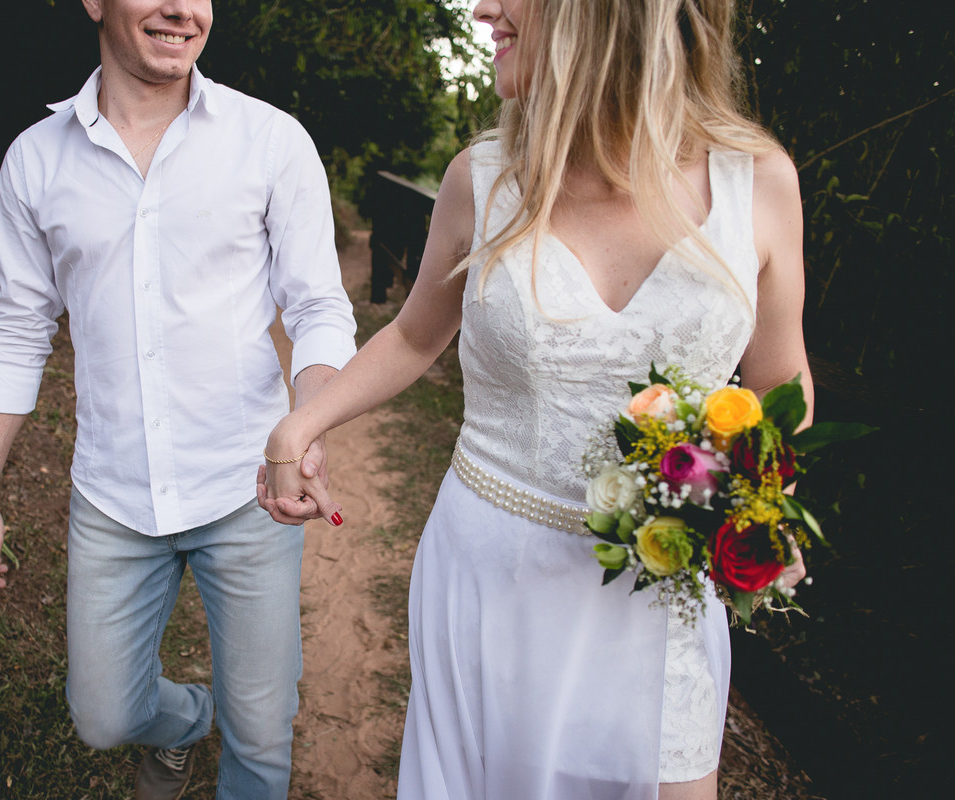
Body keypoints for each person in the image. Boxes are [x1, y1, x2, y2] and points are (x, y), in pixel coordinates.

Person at [257, 0, 811, 797]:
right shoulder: (481, 177)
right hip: (490, 575)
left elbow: (781, 385)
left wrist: (760, 497)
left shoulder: (760, 184)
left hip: (661, 591)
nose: (484, 8)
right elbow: (414, 335)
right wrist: (301, 424)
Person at [0, 1, 357, 798]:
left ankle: (236, 734)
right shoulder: (36, 161)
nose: (181, 9)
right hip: (113, 496)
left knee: (261, 733)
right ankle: (183, 724)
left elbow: (317, 308)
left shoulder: (270, 140)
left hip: (247, 489)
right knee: (103, 716)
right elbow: (17, 329)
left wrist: (308, 426)